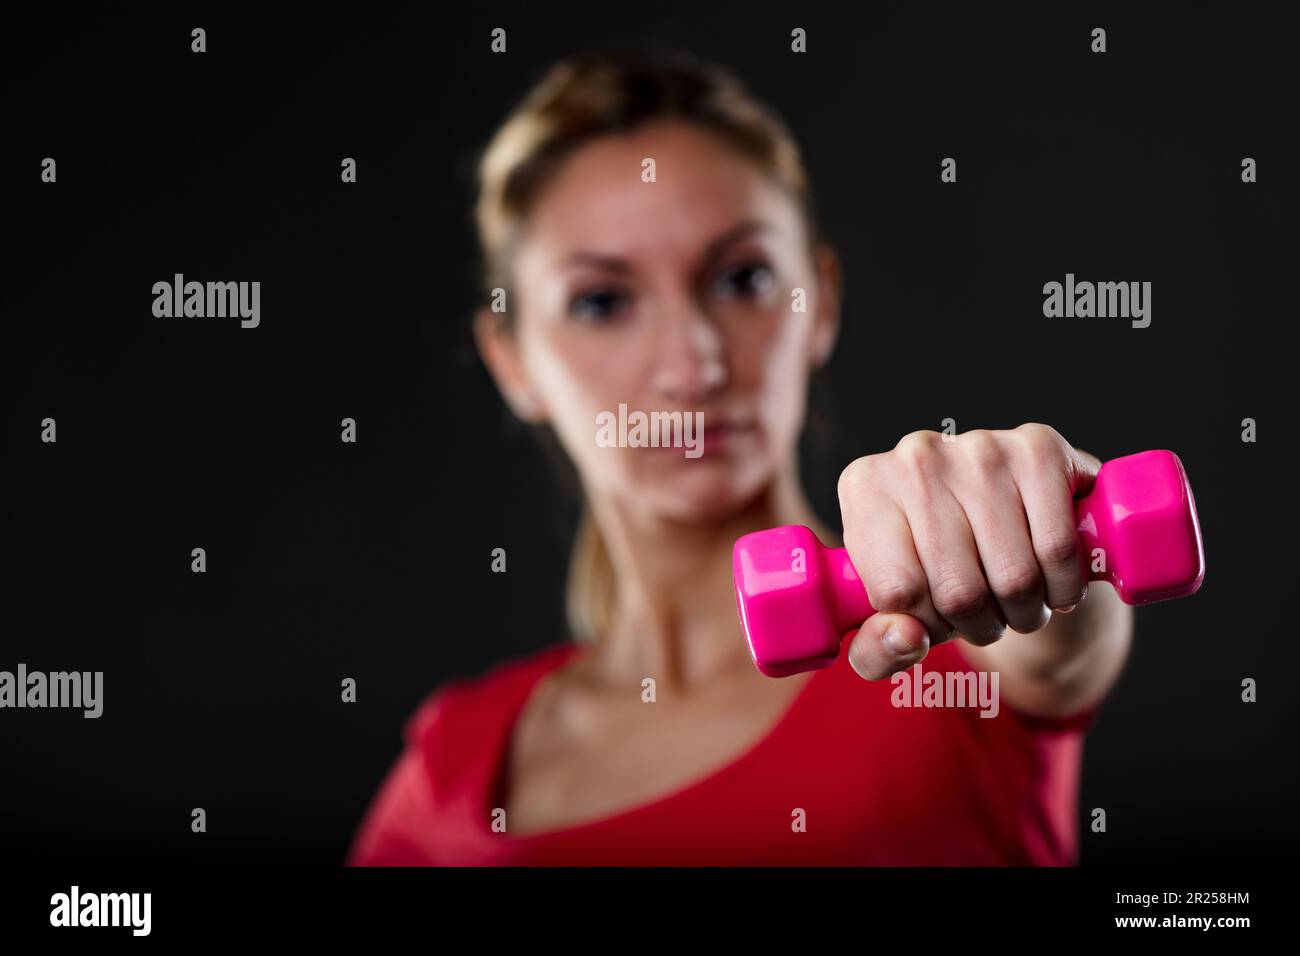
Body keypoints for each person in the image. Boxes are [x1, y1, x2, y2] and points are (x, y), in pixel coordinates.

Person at [346, 48, 1133, 866]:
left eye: (743, 279)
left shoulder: (959, 644)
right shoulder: (458, 763)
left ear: (819, 301)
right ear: (512, 361)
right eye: (601, 301)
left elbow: (1056, 636)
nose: (695, 366)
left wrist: (1038, 509)